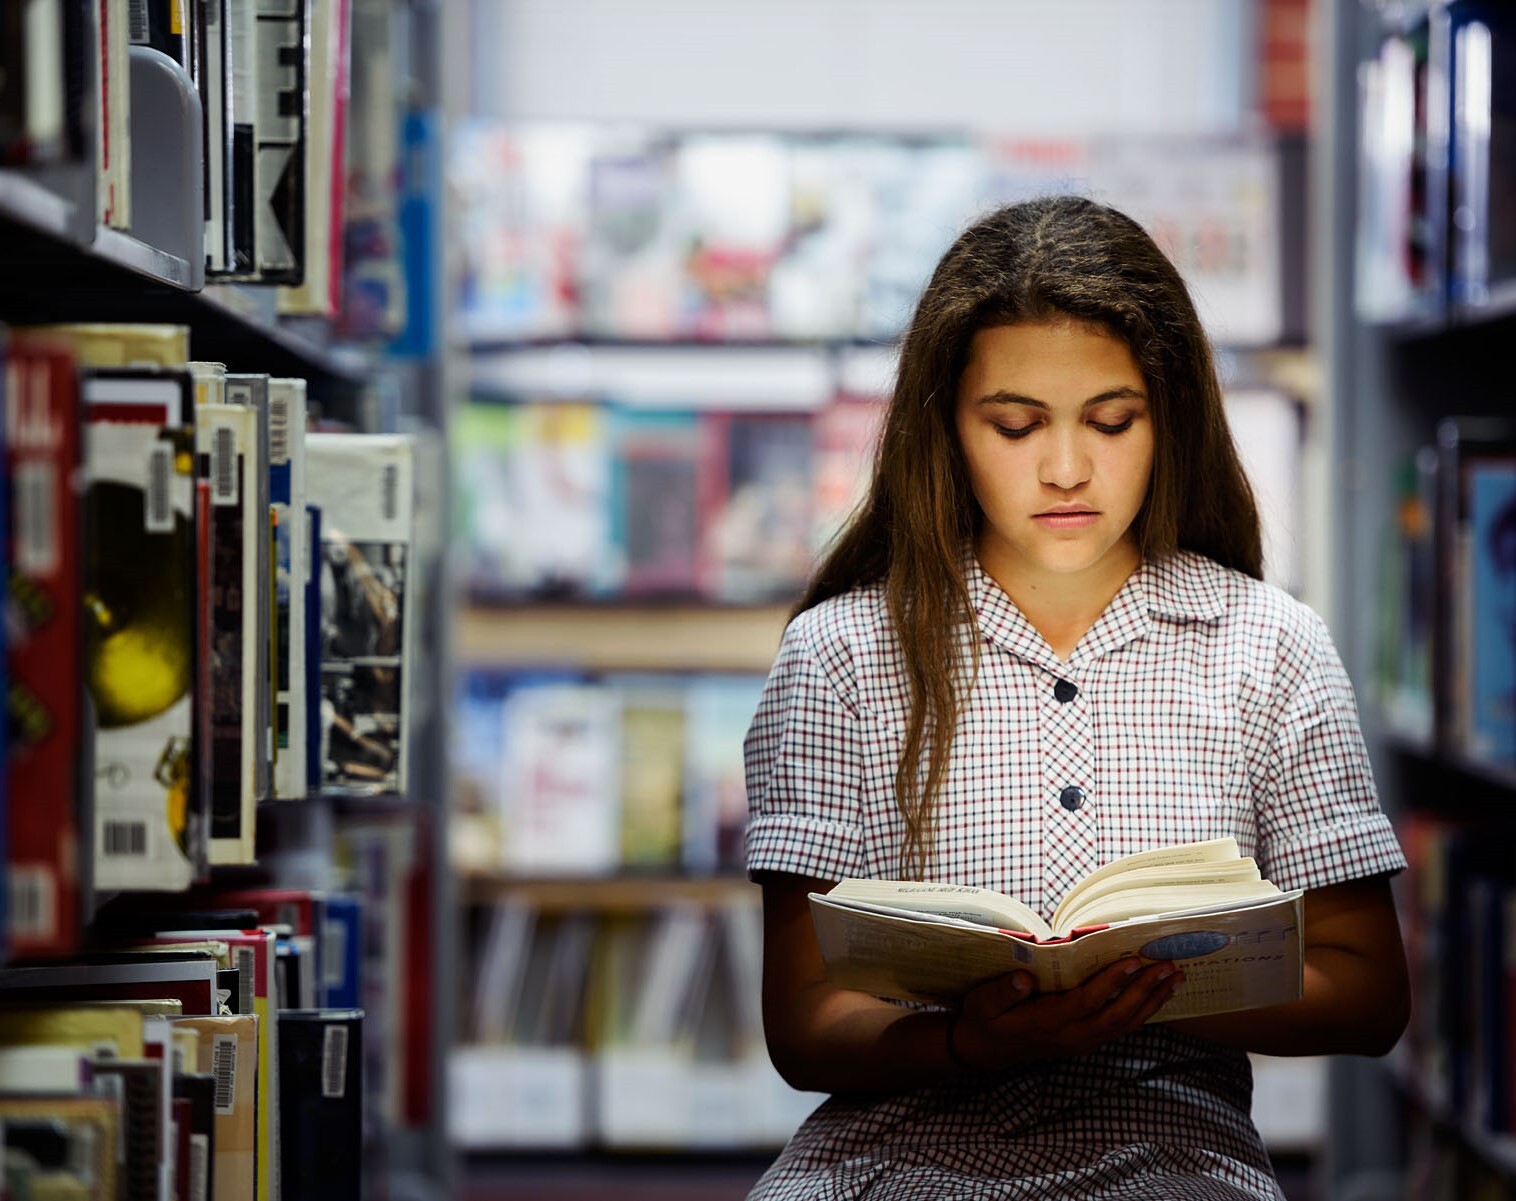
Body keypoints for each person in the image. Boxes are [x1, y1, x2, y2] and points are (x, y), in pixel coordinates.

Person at [742, 195, 1410, 1201]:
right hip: (894, 1159)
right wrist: (967, 1039)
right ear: (948, 429)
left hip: (1171, 1156)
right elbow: (803, 1024)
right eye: (1014, 425)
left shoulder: (1271, 646)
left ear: (1168, 417)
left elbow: (1366, 992)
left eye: (1111, 420)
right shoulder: (839, 654)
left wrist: (1142, 998)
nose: (1065, 468)